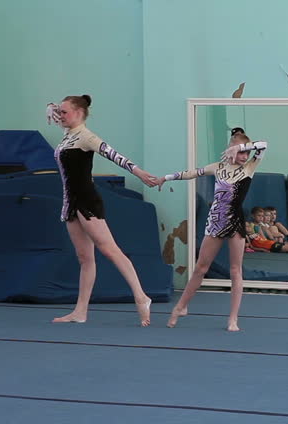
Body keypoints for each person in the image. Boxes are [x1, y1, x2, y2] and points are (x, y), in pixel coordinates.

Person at [46, 95, 159, 326]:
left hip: (87, 201)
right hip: (71, 202)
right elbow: (56, 110)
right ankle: (80, 311)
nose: (59, 116)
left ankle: (141, 296)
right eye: (59, 112)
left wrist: (138, 172)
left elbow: (113, 154)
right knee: (84, 258)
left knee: (110, 250)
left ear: (78, 113)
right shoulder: (68, 135)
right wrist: (50, 107)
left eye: (64, 112)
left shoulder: (86, 137)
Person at [156, 129, 269, 331]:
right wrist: (166, 177)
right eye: (241, 153)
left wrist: (242, 147)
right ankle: (181, 307)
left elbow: (263, 145)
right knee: (201, 268)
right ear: (229, 150)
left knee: (236, 270)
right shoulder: (218, 167)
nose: (245, 156)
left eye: (246, 152)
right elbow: (192, 173)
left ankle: (233, 318)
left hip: (236, 222)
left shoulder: (250, 168)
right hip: (216, 220)